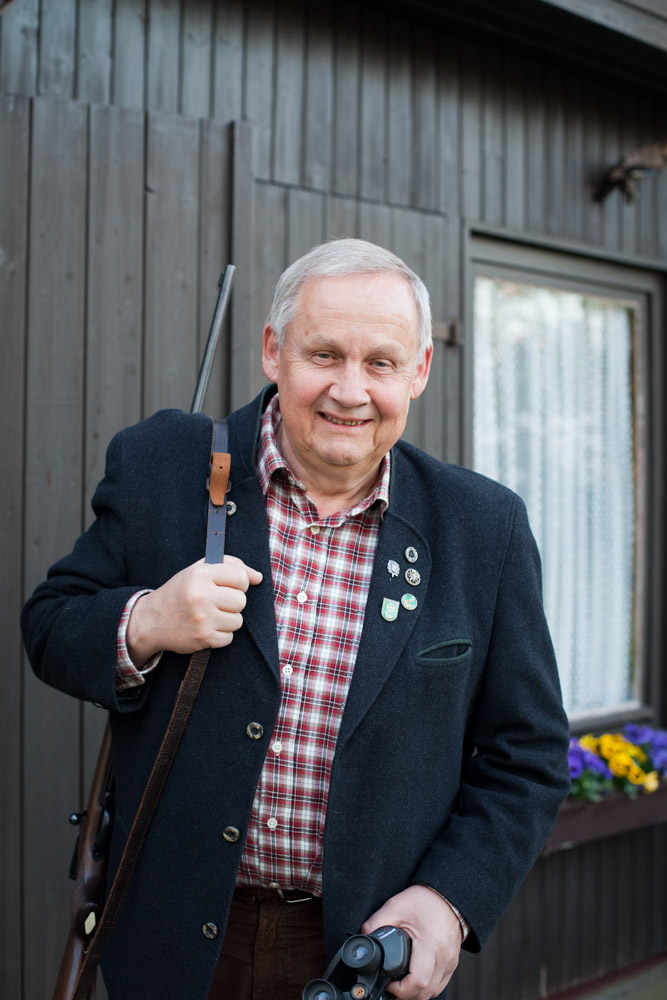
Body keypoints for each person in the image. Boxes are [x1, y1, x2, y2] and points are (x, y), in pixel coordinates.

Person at [22, 239, 570, 1000]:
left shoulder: (484, 528)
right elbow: (49, 626)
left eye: (380, 362)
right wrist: (147, 620)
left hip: (357, 961)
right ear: (273, 351)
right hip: (171, 945)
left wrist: (446, 903)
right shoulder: (163, 465)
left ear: (417, 371)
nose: (350, 390)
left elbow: (528, 757)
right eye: (324, 354)